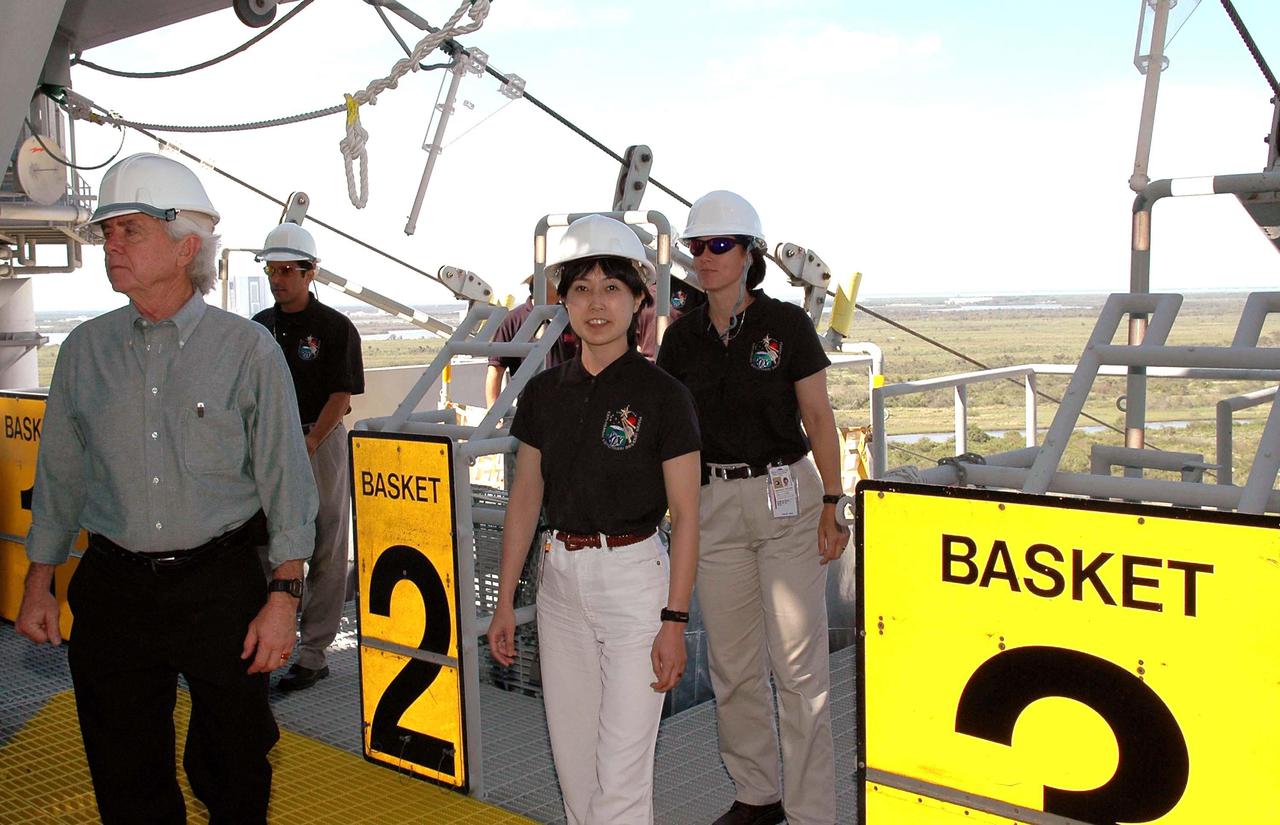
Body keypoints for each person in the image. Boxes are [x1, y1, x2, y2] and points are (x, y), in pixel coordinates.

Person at [14, 152, 318, 825]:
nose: (111, 246)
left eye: (130, 230)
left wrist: (283, 596)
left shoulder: (247, 350)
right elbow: (61, 476)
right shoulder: (84, 352)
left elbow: (287, 481)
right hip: (115, 587)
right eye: (107, 233)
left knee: (235, 766)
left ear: (186, 247)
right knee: (126, 776)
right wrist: (40, 581)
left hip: (221, 587)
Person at [487, 214, 701, 824]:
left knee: (622, 781)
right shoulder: (544, 392)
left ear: (639, 299)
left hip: (636, 585)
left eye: (612, 288)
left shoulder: (665, 397)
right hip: (559, 587)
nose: (596, 304)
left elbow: (686, 515)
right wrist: (508, 601)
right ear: (563, 300)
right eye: (581, 288)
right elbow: (526, 500)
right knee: (576, 772)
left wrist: (675, 620)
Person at [656, 191, 848, 825]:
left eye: (719, 246)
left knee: (798, 668)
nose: (706, 258)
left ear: (748, 254)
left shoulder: (787, 326)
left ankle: (813, 810)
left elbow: (818, 418)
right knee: (733, 665)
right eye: (697, 247)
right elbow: (673, 437)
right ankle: (757, 796)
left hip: (787, 497)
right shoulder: (680, 340)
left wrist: (832, 500)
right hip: (713, 506)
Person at [252, 222, 364, 691]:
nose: (278, 279)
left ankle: (314, 653)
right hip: (266, 444)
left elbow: (342, 394)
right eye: (271, 269)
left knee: (326, 543)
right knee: (264, 541)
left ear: (310, 272)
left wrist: (311, 441)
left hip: (320, 442)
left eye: (286, 270)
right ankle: (269, 644)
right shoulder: (258, 328)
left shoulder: (335, 329)